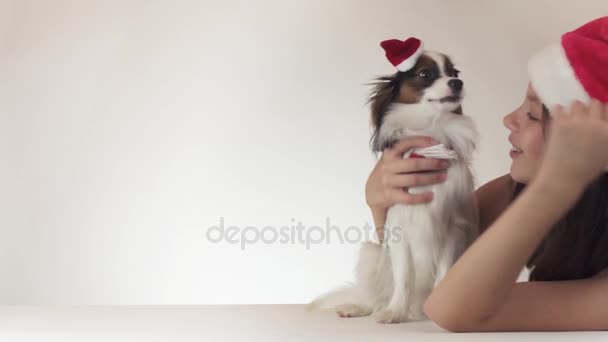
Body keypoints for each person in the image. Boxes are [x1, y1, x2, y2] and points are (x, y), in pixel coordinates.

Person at [364, 16, 608, 332]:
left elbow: (448, 306)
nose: (509, 119)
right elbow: (427, 262)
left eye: (533, 114)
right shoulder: (508, 193)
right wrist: (380, 205)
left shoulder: (536, 193)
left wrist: (557, 187)